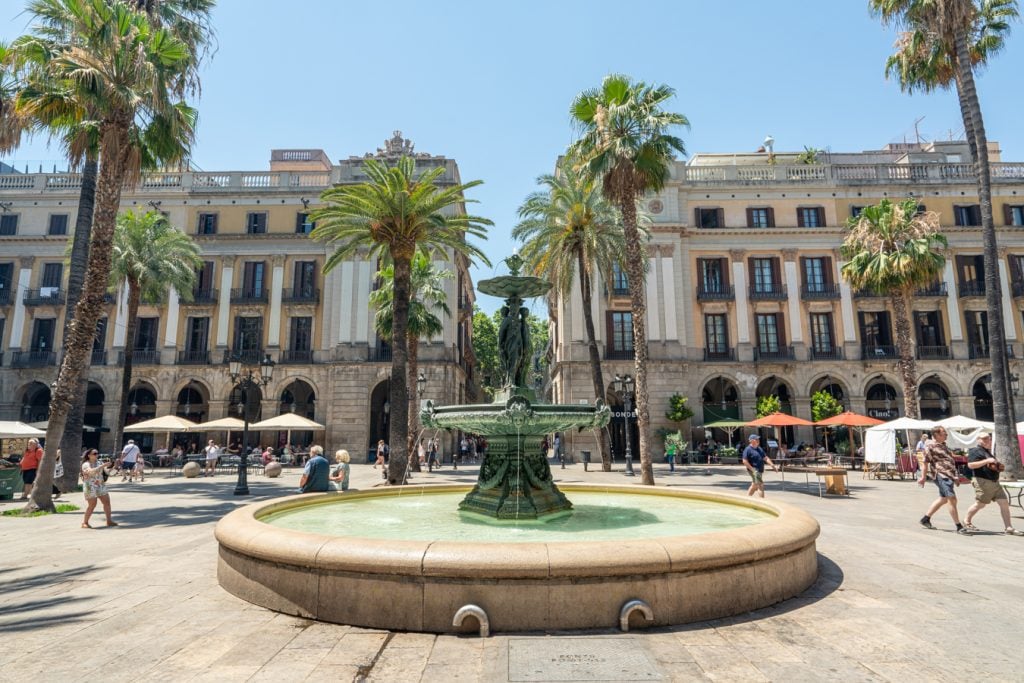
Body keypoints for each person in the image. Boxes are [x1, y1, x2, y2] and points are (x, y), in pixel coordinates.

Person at [963, 432, 1024, 535]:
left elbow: (990, 465)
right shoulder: (975, 450)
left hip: (994, 482)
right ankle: (966, 520)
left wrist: (998, 466)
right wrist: (986, 461)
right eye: (984, 439)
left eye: (988, 439)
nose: (987, 440)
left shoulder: (987, 452)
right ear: (978, 440)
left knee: (1004, 503)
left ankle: (1008, 527)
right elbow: (971, 465)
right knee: (980, 504)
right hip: (983, 481)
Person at [918, 426, 969, 534]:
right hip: (941, 475)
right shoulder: (930, 446)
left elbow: (948, 459)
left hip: (949, 475)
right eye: (944, 433)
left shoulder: (943, 445)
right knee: (952, 499)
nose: (946, 435)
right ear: (936, 435)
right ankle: (959, 526)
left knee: (944, 499)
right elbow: (925, 463)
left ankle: (925, 519)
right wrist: (923, 477)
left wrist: (955, 476)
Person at [81, 449, 117, 528]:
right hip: (90, 486)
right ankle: (85, 522)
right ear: (89, 455)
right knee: (92, 505)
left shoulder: (99, 462)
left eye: (97, 453)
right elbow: (90, 472)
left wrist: (114, 466)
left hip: (100, 485)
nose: (97, 455)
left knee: (107, 503)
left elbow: (108, 473)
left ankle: (109, 521)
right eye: (94, 453)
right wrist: (103, 465)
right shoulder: (86, 464)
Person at [742, 434, 776, 498]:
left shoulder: (759, 449)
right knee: (760, 485)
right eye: (756, 439)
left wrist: (772, 465)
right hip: (754, 470)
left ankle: (747, 498)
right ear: (751, 441)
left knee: (754, 485)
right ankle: (762, 501)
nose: (758, 440)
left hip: (759, 470)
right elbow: (744, 461)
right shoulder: (747, 449)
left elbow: (765, 458)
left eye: (758, 439)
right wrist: (752, 470)